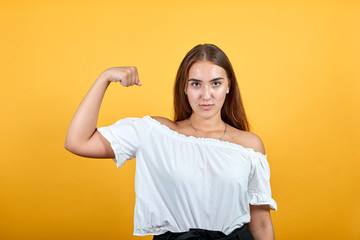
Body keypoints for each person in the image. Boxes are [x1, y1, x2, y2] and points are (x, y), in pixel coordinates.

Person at [65, 44, 277, 240]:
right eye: (196, 84)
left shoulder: (250, 146)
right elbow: (78, 141)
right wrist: (104, 78)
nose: (206, 95)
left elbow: (261, 225)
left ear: (228, 86)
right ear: (184, 87)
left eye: (216, 83)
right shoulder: (154, 133)